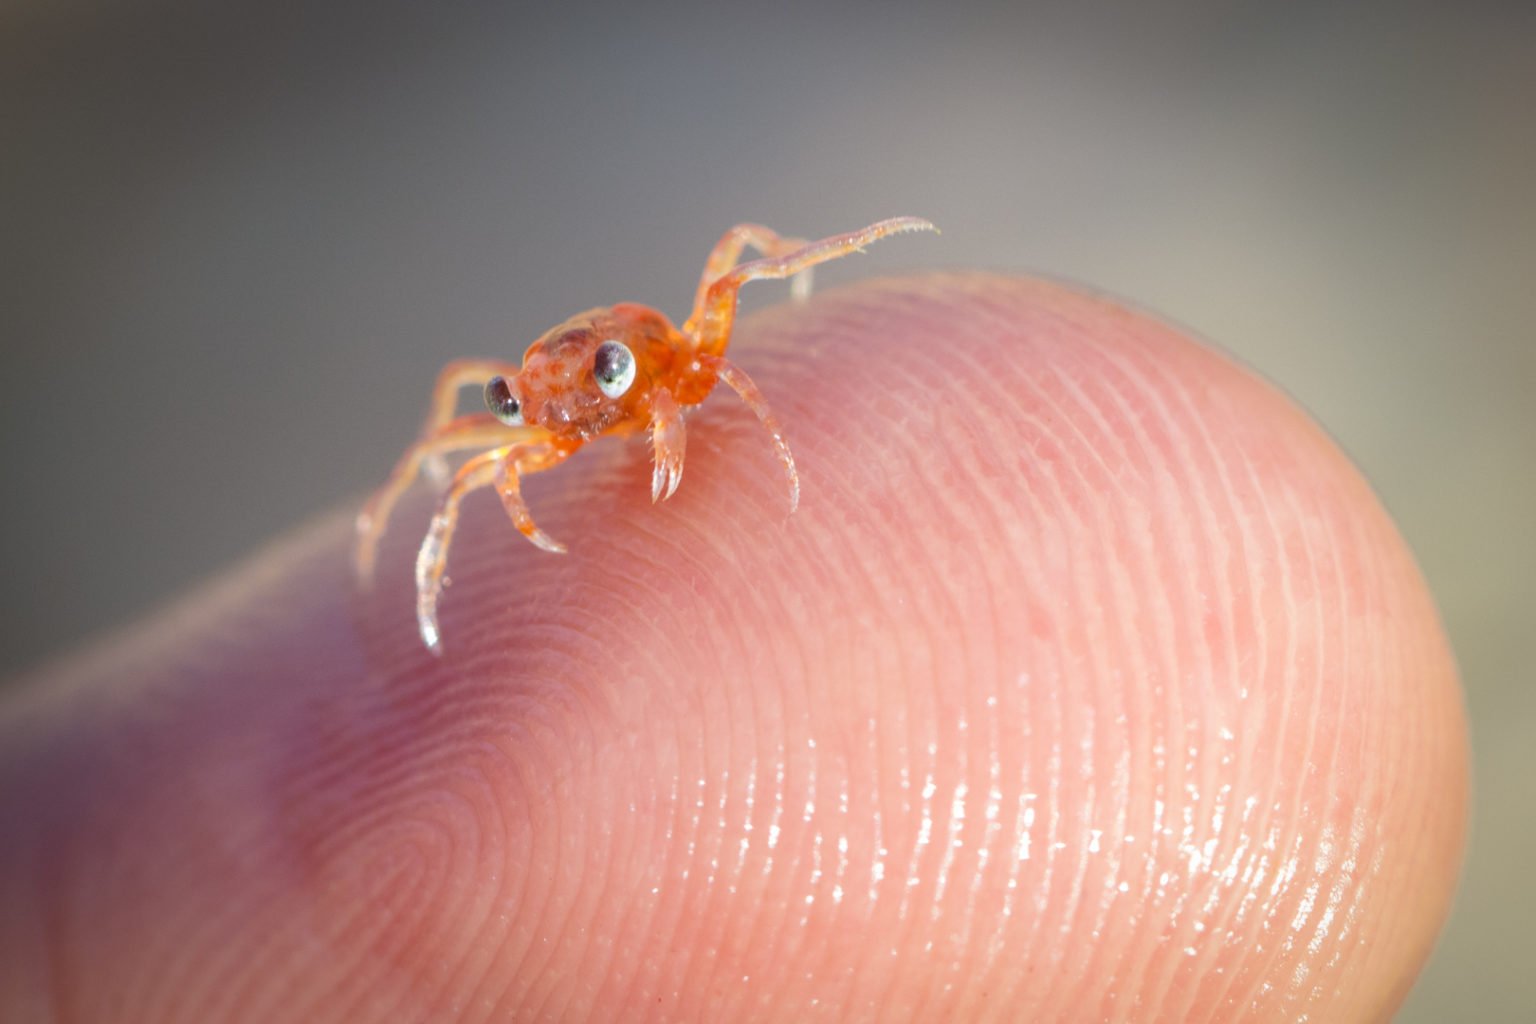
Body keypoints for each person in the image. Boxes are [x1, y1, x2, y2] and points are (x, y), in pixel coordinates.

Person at [0, 275, 1467, 1021]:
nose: (546, 420)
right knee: (467, 481)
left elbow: (749, 267)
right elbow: (493, 409)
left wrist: (708, 394)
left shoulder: (685, 355)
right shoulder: (537, 414)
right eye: (534, 401)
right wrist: (449, 494)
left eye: (582, 390)